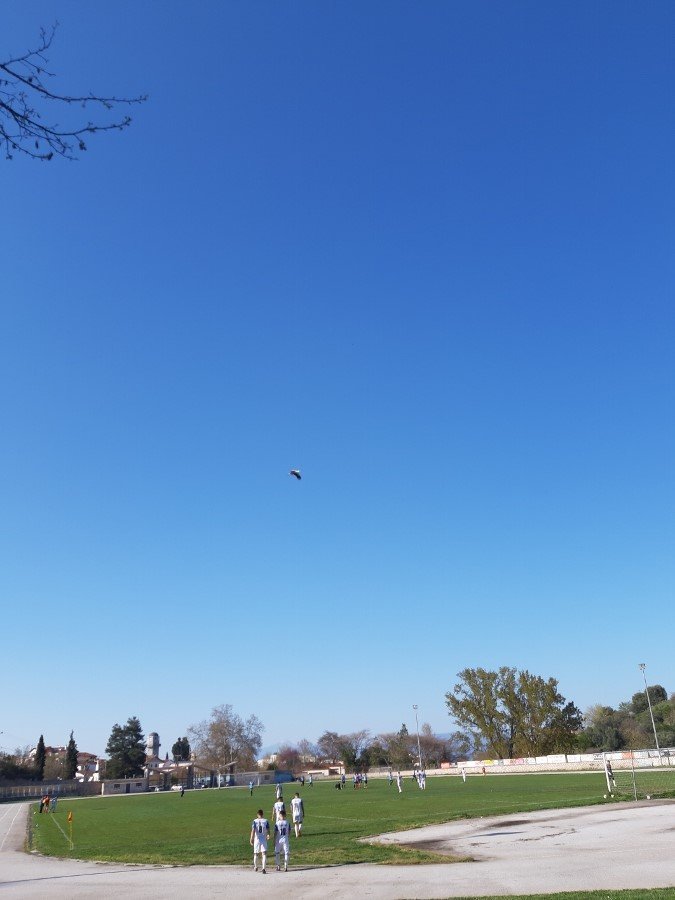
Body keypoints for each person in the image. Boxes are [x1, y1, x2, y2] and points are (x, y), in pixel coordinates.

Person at [250, 809, 270, 874]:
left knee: (256, 853)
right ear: (262, 814)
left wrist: (251, 839)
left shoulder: (254, 821)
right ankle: (263, 868)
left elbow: (253, 831)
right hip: (263, 839)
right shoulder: (266, 821)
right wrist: (268, 835)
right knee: (264, 853)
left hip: (257, 839)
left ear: (257, 814)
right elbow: (268, 830)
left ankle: (255, 867)